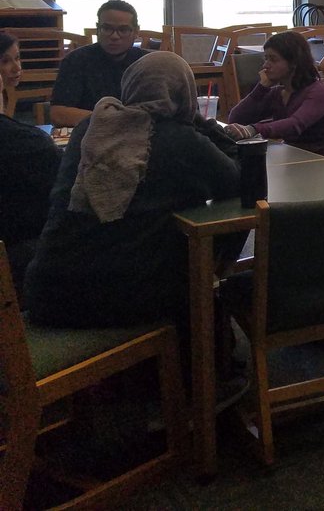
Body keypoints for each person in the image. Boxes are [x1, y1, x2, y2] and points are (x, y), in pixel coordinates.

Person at [23, 52, 241, 328]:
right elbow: (237, 181)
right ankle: (204, 361)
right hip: (120, 295)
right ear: (184, 92)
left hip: (46, 291)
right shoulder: (179, 139)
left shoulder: (89, 127)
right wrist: (196, 119)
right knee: (195, 277)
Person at [0, 33, 59, 294]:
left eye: (18, 58)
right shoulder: (26, 144)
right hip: (18, 253)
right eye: (5, 61)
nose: (16, 68)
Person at [226, 30, 324, 157]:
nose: (265, 65)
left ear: (294, 63)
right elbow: (236, 118)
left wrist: (254, 129)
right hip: (292, 159)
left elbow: (295, 124)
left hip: (322, 163)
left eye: (273, 59)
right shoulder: (278, 92)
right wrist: (261, 88)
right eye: (266, 58)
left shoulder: (319, 91)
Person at [49, 0, 148, 127]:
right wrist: (116, 120)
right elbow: (58, 114)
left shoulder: (147, 63)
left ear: (136, 32)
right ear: (97, 29)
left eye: (123, 30)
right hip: (91, 136)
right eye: (107, 28)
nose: (114, 36)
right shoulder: (77, 60)